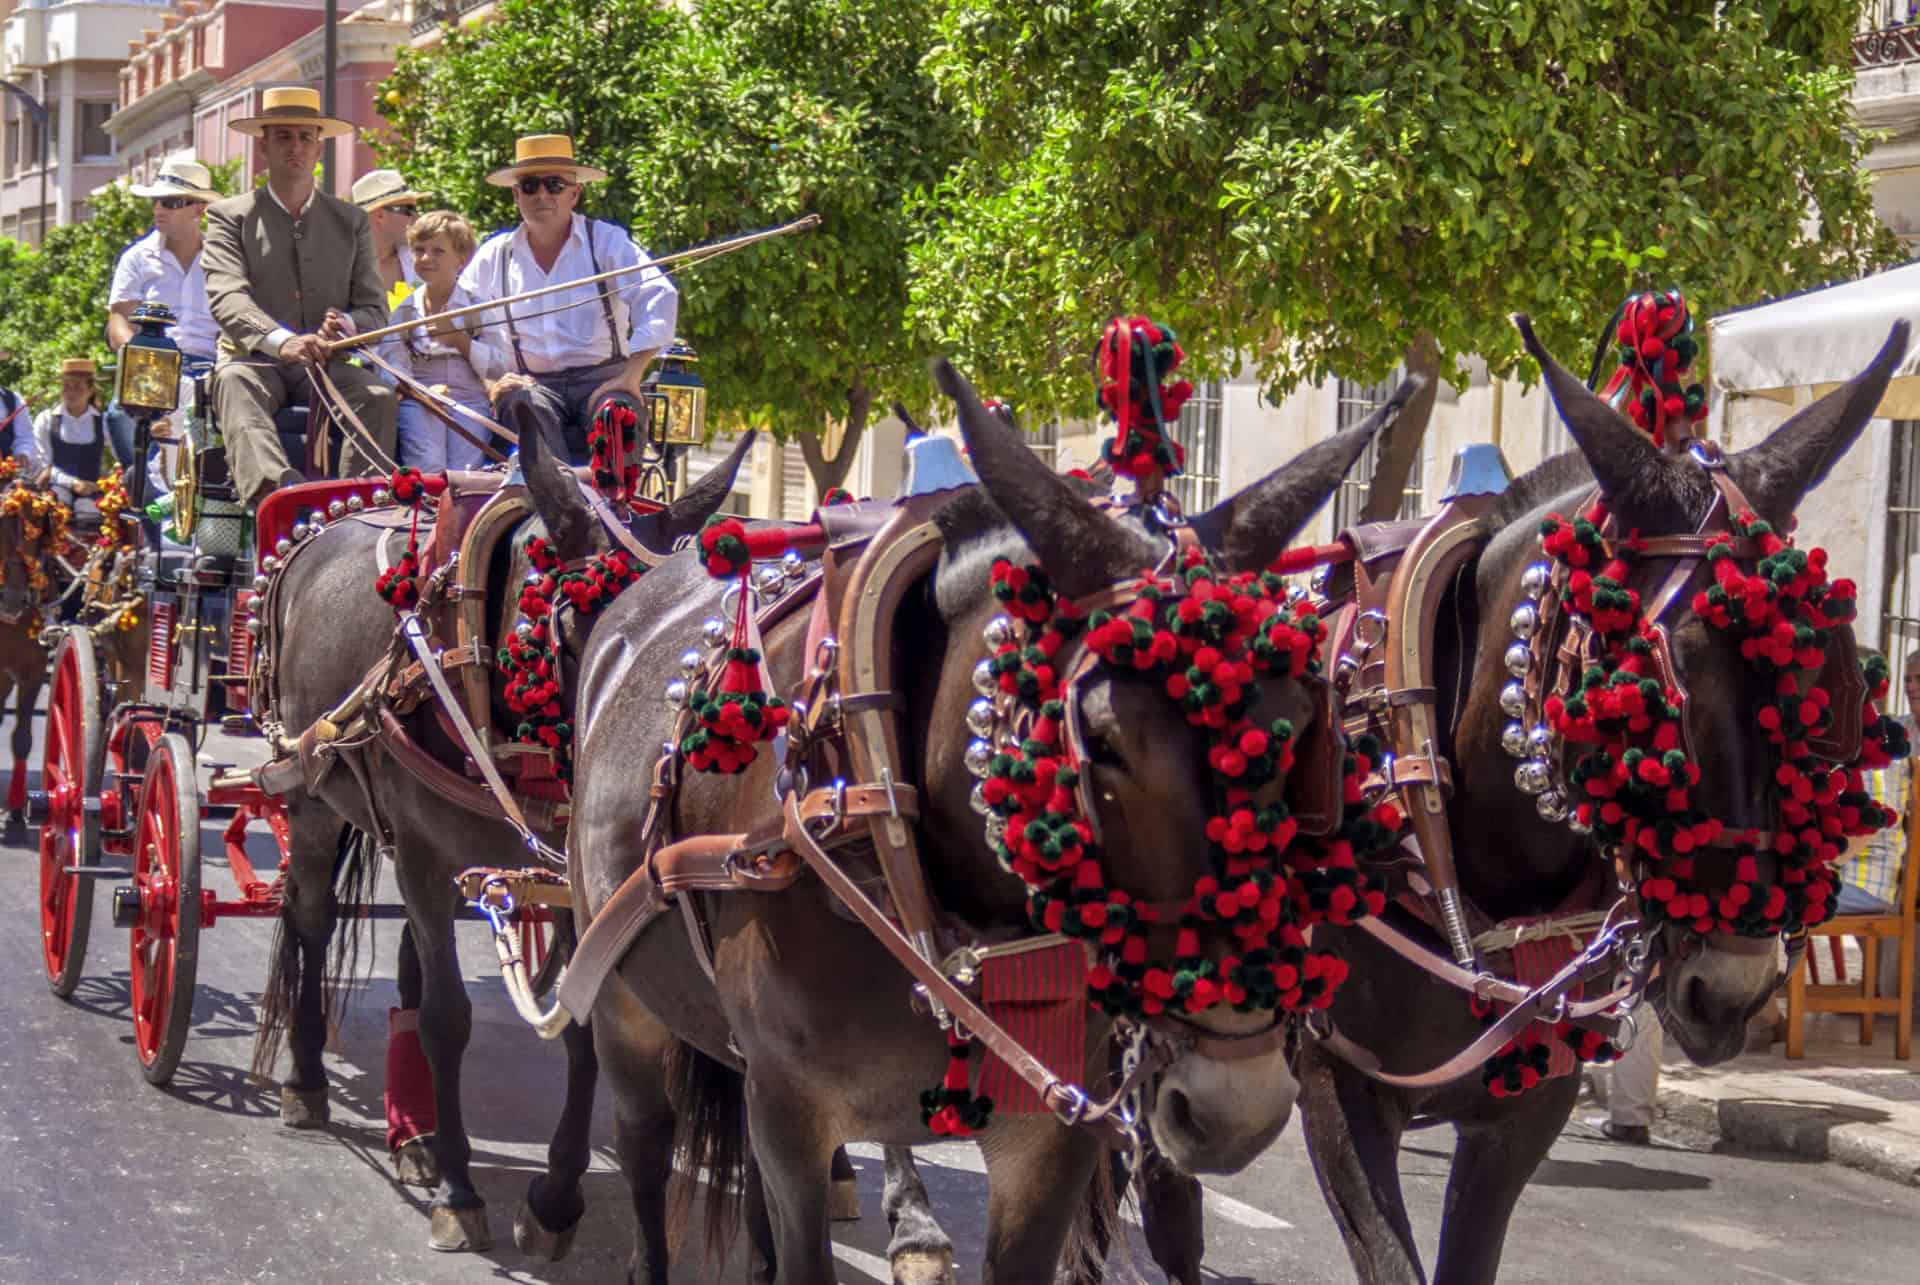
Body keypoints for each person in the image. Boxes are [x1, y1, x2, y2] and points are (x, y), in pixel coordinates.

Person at [202, 86, 395, 511]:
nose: (296, 148)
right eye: (285, 137)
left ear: (319, 148)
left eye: (306, 138)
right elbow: (226, 296)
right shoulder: (229, 217)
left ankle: (354, 511)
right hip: (256, 362)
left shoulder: (351, 221)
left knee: (378, 397)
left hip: (327, 367)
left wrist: (344, 329)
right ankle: (278, 503)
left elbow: (374, 310)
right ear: (264, 146)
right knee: (232, 383)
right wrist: (280, 340)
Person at [457, 133, 677, 463]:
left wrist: (631, 376)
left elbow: (659, 296)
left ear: (574, 194)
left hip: (604, 380)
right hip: (532, 385)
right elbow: (458, 321)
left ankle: (612, 507)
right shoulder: (494, 255)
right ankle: (555, 503)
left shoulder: (606, 242)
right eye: (531, 186)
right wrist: (490, 380)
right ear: (516, 195)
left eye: (555, 185)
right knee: (523, 406)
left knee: (617, 416)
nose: (542, 194)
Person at [108, 155, 224, 500]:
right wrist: (138, 356)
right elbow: (119, 320)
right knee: (119, 416)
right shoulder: (137, 258)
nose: (159, 208)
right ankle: (148, 495)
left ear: (198, 209)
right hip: (152, 367)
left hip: (211, 370)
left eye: (171, 202)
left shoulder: (224, 257)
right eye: (156, 201)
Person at [376, 210, 492, 472]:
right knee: (428, 465)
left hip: (470, 400)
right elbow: (391, 365)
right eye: (419, 250)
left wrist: (458, 339)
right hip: (420, 399)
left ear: (461, 259)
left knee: (464, 470)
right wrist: (416, 392)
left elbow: (498, 363)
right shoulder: (405, 311)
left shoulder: (477, 308)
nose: (426, 258)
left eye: (438, 251)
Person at [27, 359, 113, 521]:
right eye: (66, 386)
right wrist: (71, 483)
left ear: (90, 390)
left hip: (91, 488)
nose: (70, 392)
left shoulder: (104, 422)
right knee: (57, 507)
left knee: (88, 511)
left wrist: (102, 484)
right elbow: (39, 463)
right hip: (55, 485)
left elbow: (120, 459)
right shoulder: (46, 419)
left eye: (78, 387)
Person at [350, 168, 426, 295]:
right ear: (380, 216)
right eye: (408, 209)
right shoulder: (340, 264)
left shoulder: (422, 260)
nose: (416, 216)